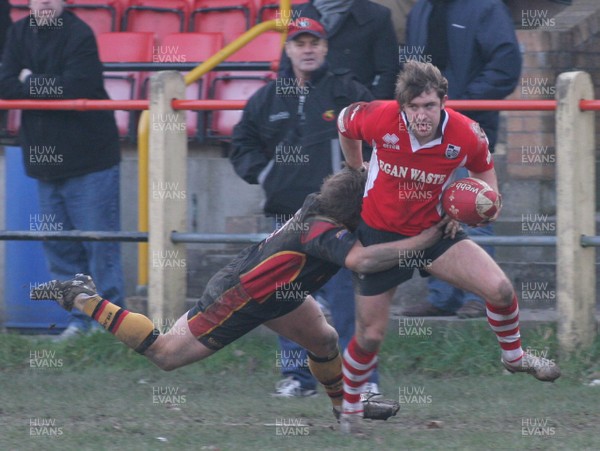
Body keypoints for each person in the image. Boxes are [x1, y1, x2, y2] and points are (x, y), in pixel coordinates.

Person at [31, 168, 448, 422]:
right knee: (166, 355)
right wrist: (427, 237)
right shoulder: (324, 231)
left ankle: (346, 410)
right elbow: (362, 262)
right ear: (354, 212)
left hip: (280, 292)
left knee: (323, 340)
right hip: (242, 295)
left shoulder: (327, 207)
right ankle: (85, 298)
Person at [336, 60, 560, 434]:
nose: (421, 114)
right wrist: (355, 169)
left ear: (442, 102)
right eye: (413, 106)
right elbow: (345, 121)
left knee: (500, 289)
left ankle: (514, 357)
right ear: (401, 105)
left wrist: (477, 205)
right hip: (380, 235)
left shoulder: (466, 132)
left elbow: (484, 173)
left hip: (435, 231)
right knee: (370, 334)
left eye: (429, 105)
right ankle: (351, 410)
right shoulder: (379, 117)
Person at [230, 17, 382, 398]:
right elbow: (240, 145)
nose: (308, 49)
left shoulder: (347, 91)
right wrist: (266, 175)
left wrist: (360, 187)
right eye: (299, 43)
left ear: (326, 46)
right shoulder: (267, 98)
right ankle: (298, 378)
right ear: (288, 48)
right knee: (286, 297)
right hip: (287, 218)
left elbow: (382, 139)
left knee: (350, 300)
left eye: (314, 42)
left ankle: (360, 382)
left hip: (340, 219)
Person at [0, 0, 124, 338]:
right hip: (43, 162)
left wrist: (28, 79)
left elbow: (74, 88)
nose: (43, 3)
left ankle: (109, 325)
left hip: (90, 158)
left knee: (99, 245)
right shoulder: (18, 31)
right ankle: (79, 321)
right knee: (60, 247)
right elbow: (4, 83)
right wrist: (39, 82)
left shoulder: (79, 34)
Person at [401, 0, 522, 318]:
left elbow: (506, 65)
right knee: (431, 213)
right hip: (427, 136)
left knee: (473, 210)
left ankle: (481, 296)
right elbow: (410, 74)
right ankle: (442, 297)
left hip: (470, 131)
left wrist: (460, 105)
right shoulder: (421, 11)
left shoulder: (486, 8)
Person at [278, 0, 399, 100]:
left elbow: (388, 71)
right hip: (310, 116)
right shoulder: (299, 12)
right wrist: (292, 109)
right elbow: (286, 67)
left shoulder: (378, 15)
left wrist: (371, 109)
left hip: (356, 114)